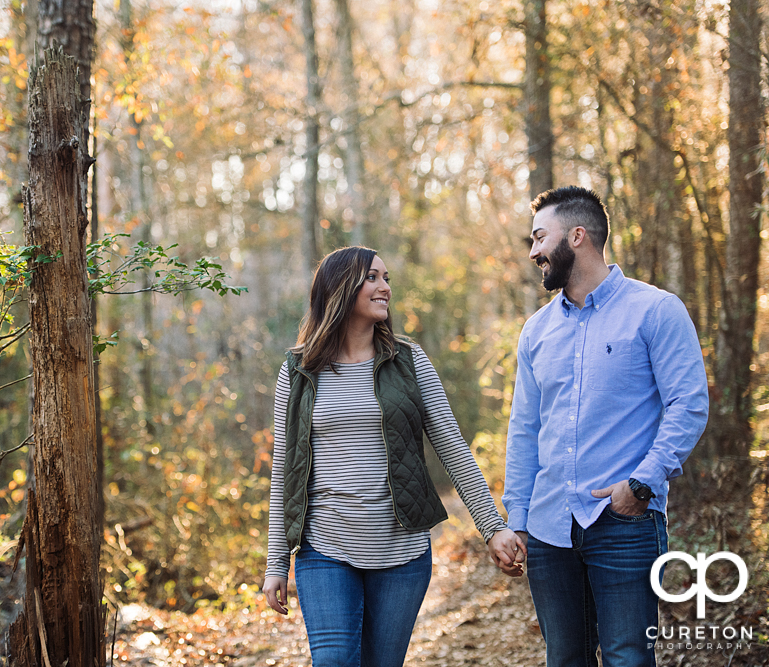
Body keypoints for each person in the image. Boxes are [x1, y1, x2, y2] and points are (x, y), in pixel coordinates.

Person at [262, 246, 525, 667]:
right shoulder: (297, 370)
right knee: (333, 661)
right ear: (340, 287)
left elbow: (452, 447)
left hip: (400, 550)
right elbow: (284, 471)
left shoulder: (409, 361)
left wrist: (492, 527)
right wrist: (276, 561)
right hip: (325, 546)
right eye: (373, 277)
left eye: (387, 279)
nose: (385, 287)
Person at [502, 186, 709, 666]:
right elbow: (525, 429)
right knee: (566, 658)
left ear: (577, 236)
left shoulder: (656, 310)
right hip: (550, 526)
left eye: (539, 238)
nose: (533, 252)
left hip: (624, 521)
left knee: (628, 656)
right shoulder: (536, 330)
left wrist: (642, 484)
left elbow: (688, 403)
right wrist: (518, 519)